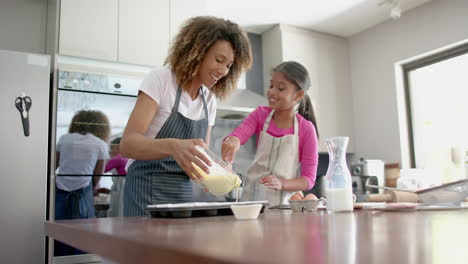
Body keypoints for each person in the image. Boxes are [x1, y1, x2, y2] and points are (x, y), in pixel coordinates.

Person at [120, 16, 252, 216]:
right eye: (218, 60)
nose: (223, 71)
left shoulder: (209, 100)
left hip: (181, 195)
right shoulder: (161, 79)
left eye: (228, 65)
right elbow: (128, 144)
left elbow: (201, 155)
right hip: (145, 189)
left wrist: (220, 172)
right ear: (197, 51)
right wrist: (173, 146)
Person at [221, 61, 319, 206]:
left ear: (298, 95)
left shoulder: (306, 129)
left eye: (280, 88)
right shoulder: (260, 114)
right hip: (251, 204)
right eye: (271, 86)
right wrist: (233, 139)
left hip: (284, 208)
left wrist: (282, 184)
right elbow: (240, 133)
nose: (272, 92)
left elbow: (308, 180)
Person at [55, 110, 110, 256]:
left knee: (59, 231)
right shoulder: (100, 144)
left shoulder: (64, 139)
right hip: (84, 192)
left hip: (59, 190)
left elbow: (53, 165)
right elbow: (98, 175)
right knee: (84, 234)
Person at [105, 137, 128, 217]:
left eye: (112, 148)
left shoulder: (118, 158)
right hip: (126, 185)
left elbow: (103, 169)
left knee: (117, 209)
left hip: (121, 187)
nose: (110, 151)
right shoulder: (127, 157)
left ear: (119, 147)